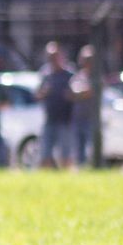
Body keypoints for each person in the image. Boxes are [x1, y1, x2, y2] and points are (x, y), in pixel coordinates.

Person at [37, 42, 77, 170]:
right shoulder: (45, 74)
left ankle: (66, 178)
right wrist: (44, 92)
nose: (52, 60)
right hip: (49, 119)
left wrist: (70, 94)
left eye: (55, 57)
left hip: (65, 120)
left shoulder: (69, 75)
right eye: (50, 57)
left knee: (65, 155)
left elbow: (76, 94)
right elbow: (37, 94)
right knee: (45, 154)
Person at [71, 44, 98, 169]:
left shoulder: (97, 77)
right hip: (78, 118)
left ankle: (93, 167)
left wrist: (80, 93)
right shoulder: (78, 76)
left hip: (92, 119)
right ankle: (81, 168)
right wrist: (82, 92)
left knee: (92, 148)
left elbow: (90, 92)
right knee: (78, 149)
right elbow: (71, 92)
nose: (87, 62)